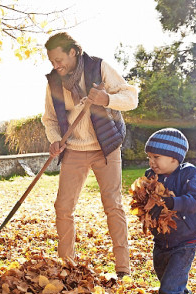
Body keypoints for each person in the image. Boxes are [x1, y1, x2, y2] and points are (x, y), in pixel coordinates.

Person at [41, 32, 138, 278]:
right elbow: (50, 119)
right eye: (52, 61)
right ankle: (66, 266)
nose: (56, 65)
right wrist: (54, 140)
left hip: (106, 146)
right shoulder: (54, 81)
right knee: (63, 207)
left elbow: (131, 98)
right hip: (74, 149)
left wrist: (107, 99)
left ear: (73, 52)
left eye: (59, 59)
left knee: (112, 204)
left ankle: (123, 268)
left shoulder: (98, 67)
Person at [143, 128, 196, 294]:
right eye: (149, 157)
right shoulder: (151, 177)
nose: (152, 162)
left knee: (168, 290)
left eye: (156, 157)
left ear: (175, 157)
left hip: (185, 243)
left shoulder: (189, 174)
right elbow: (145, 199)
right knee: (171, 284)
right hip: (161, 242)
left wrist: (171, 202)